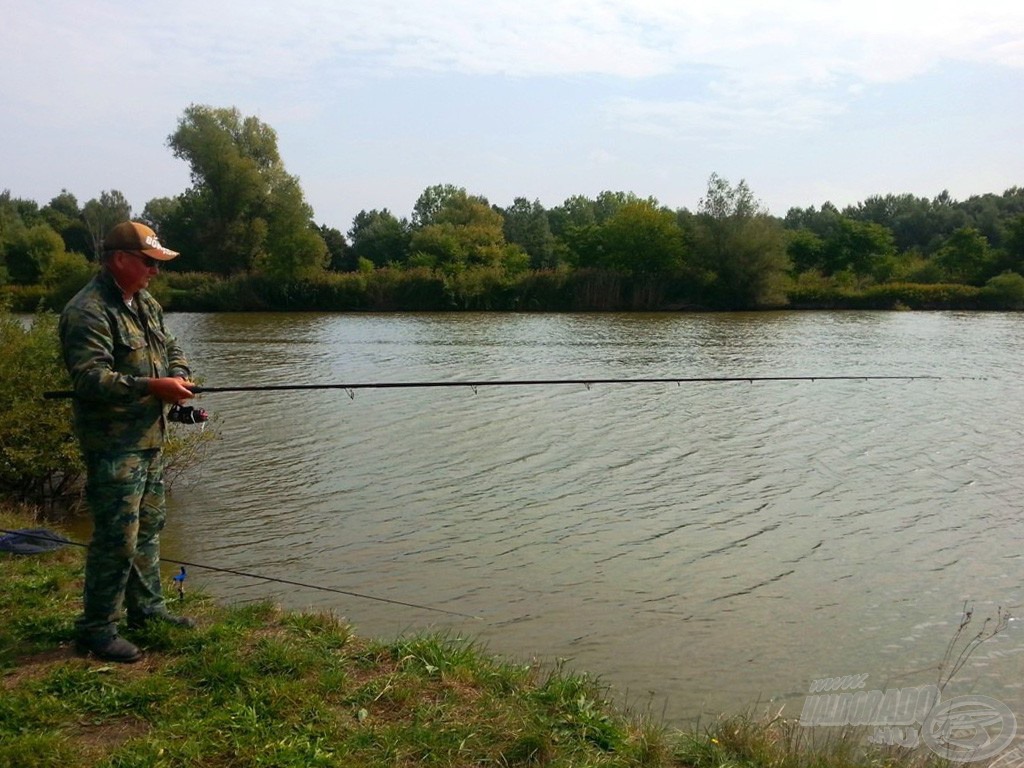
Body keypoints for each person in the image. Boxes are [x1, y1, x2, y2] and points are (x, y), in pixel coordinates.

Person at [59, 221, 198, 663]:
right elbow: (89, 379)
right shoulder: (87, 310)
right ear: (120, 259)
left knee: (150, 528)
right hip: (112, 444)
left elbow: (172, 348)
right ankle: (97, 629)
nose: (155, 272)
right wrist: (151, 387)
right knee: (117, 537)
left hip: (150, 437)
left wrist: (176, 376)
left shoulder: (145, 303)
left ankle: (148, 611)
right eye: (148, 262)